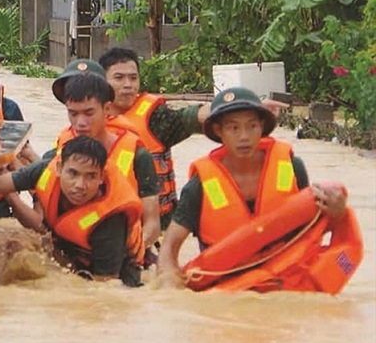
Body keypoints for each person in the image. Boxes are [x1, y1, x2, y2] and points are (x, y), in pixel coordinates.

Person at [157, 87, 348, 288]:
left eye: (252, 126)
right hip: (229, 291)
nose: (244, 137)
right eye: (233, 128)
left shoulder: (292, 167)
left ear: (262, 127)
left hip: (287, 284)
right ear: (218, 131)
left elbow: (313, 227)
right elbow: (169, 246)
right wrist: (169, 284)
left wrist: (338, 213)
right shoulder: (199, 187)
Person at [98, 47, 288, 233]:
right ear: (101, 81)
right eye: (119, 78)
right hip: (109, 223)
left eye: (133, 78)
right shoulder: (88, 119)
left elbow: (193, 116)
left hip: (158, 224)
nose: (128, 85)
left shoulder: (155, 118)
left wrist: (245, 108)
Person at [0, 135, 144, 286]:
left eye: (90, 176)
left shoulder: (109, 221)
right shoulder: (44, 170)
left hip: (117, 274)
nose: (80, 185)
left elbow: (105, 289)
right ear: (60, 168)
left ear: (101, 178)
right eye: (73, 173)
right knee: (17, 248)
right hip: (69, 249)